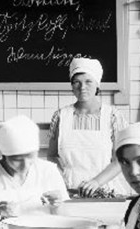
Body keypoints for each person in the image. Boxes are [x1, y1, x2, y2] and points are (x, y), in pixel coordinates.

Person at [47, 57, 129, 196]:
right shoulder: (60, 116)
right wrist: (63, 180)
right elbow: (52, 155)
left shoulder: (113, 116)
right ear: (72, 86)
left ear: (98, 84)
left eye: (88, 82)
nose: (82, 87)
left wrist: (96, 182)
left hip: (106, 191)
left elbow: (120, 160)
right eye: (77, 82)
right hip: (70, 190)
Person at [0, 115, 67, 217]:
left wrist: (57, 206)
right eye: (17, 160)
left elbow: (65, 219)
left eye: (31, 157)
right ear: (4, 155)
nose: (25, 165)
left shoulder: (49, 171)